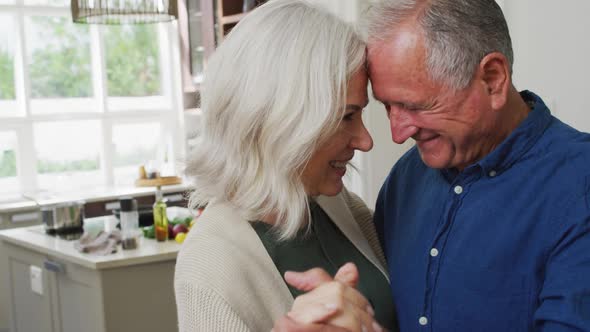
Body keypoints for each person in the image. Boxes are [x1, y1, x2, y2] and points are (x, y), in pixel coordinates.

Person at [275, 0, 590, 331]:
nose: (398, 134)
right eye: (387, 107)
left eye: (415, 106)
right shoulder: (405, 179)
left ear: (493, 79)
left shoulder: (579, 184)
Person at [174, 0, 397, 331]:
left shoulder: (340, 207)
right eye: (347, 116)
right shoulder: (208, 266)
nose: (365, 141)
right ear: (283, 122)